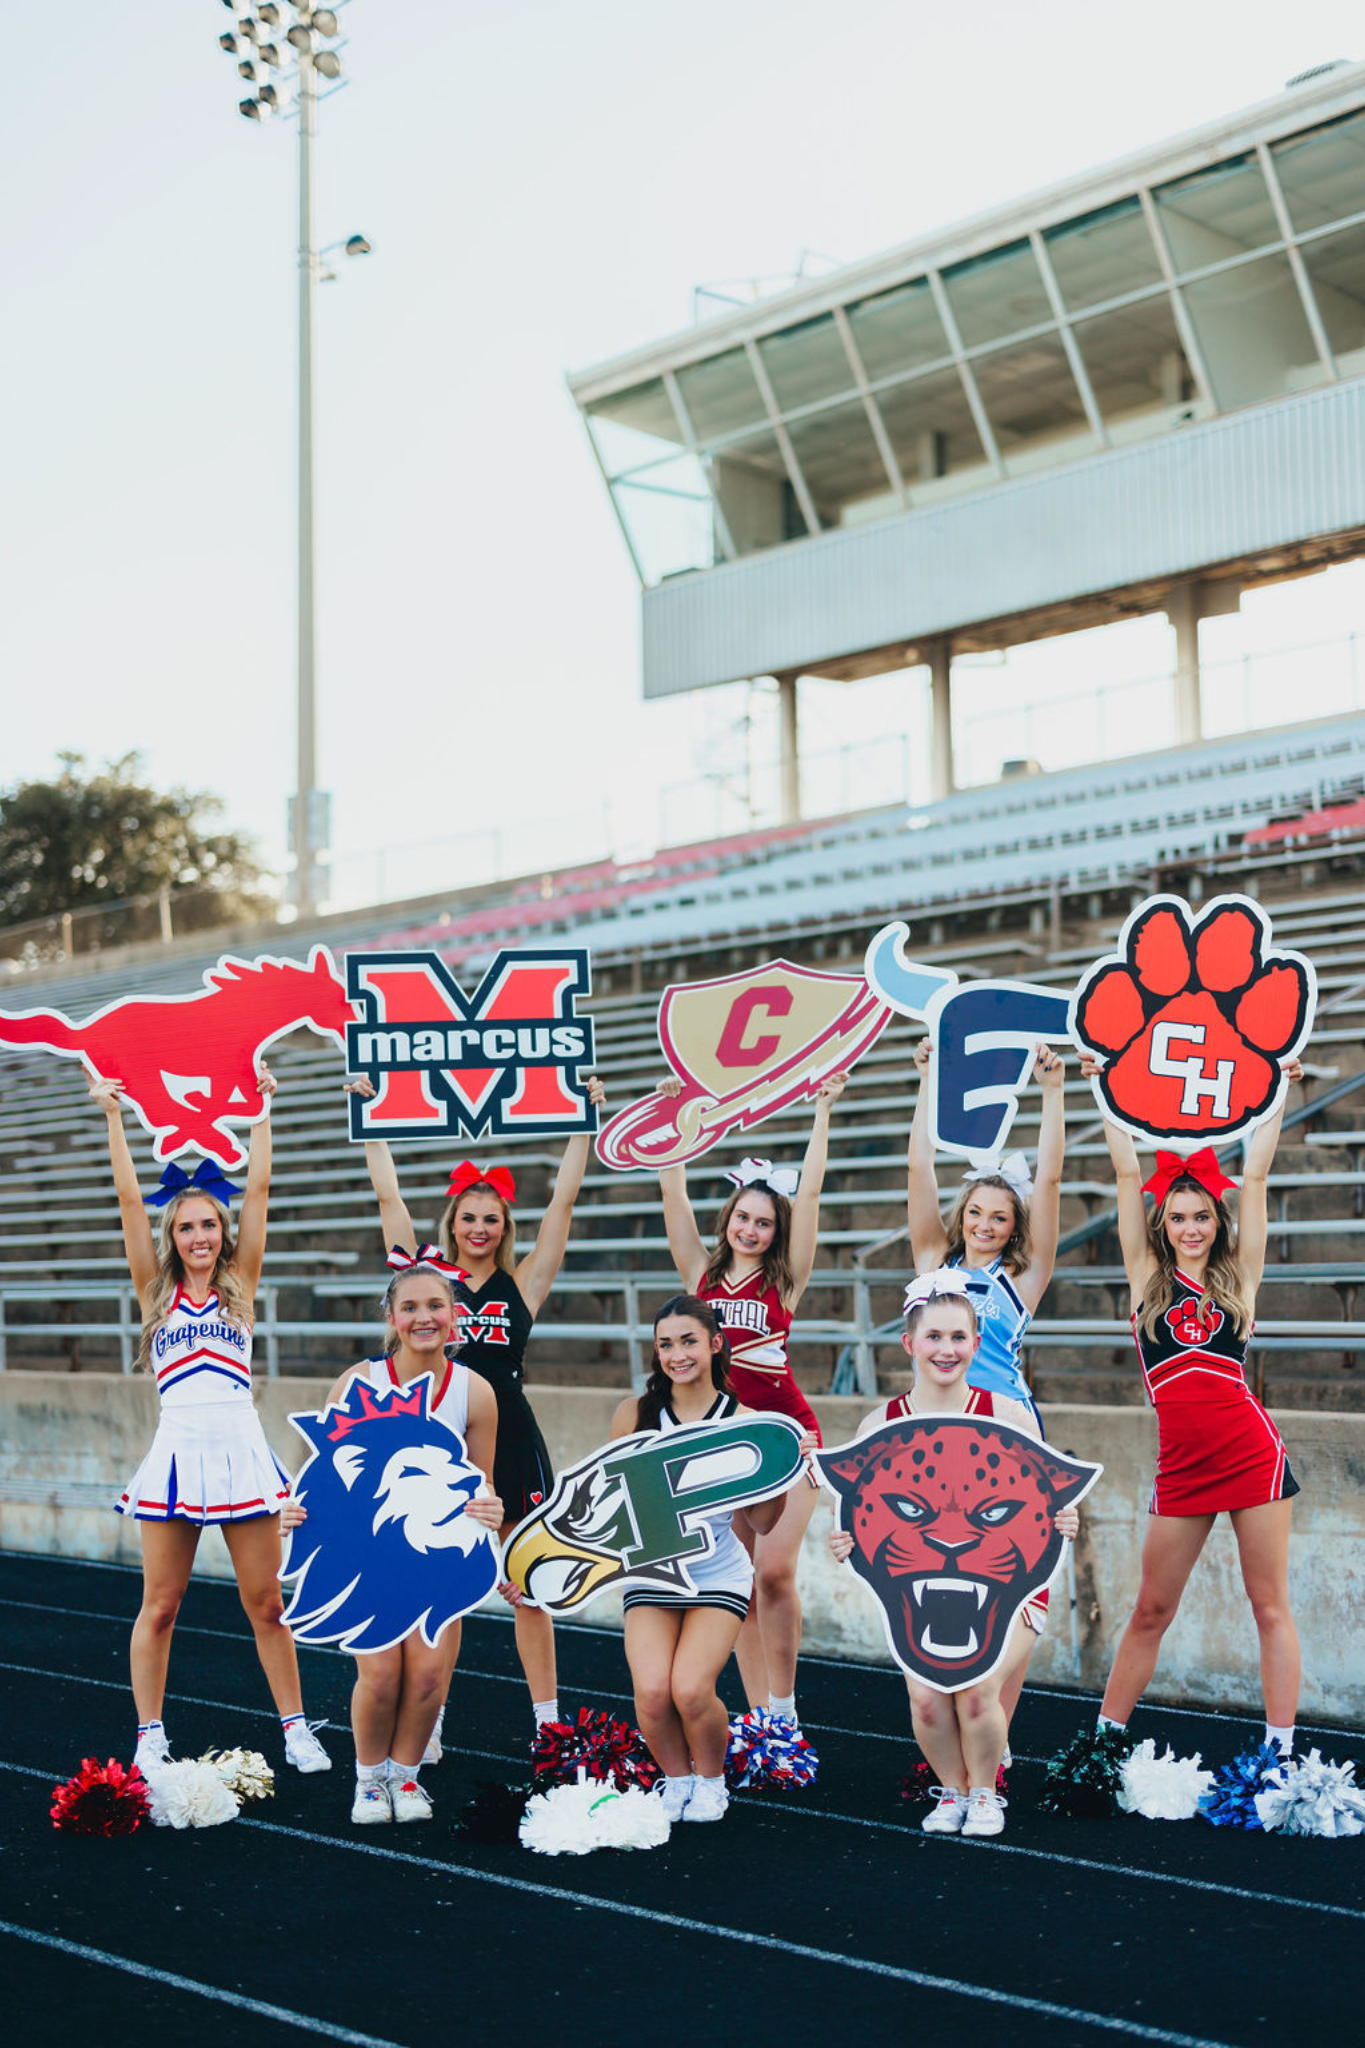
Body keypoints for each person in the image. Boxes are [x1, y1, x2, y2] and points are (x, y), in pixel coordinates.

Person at [350, 1073, 605, 1738]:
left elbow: (564, 1206)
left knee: (527, 1584)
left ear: (504, 1226)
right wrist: (366, 1112)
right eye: (469, 1217)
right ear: (452, 1222)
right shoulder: (425, 1278)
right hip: (429, 1435)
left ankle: (548, 1723)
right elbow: (388, 1195)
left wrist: (584, 1121)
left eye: (492, 1218)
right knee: (428, 1577)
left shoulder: (522, 1283)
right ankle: (425, 1723)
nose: (481, 1228)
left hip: (508, 1437)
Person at [94, 1068, 331, 1779]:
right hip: (176, 1456)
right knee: (160, 1606)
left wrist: (261, 1109)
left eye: (209, 1224)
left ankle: (295, 1728)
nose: (199, 1235)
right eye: (187, 1226)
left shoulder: (242, 1288)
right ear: (174, 1234)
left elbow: (259, 1190)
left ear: (223, 1232)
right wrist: (113, 1115)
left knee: (265, 1605)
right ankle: (149, 1733)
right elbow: (129, 1199)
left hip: (241, 1455)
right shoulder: (154, 1292)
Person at [1085, 1055, 1304, 1754]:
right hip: (1181, 1466)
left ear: (1216, 1218)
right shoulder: (1145, 1281)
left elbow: (1259, 1178)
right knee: (1150, 1609)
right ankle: (1100, 1746)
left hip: (1251, 1456)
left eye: (1201, 1215)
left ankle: (1280, 1756)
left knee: (1268, 1606)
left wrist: (1277, 1095)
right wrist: (1100, 1084)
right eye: (1177, 1216)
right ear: (1162, 1222)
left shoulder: (1238, 1277)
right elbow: (1125, 1174)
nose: (1190, 1226)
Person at [828, 1270, 1080, 1837]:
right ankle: (953, 1790)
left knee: (976, 1689)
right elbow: (860, 1520)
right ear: (909, 1343)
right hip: (921, 1585)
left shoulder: (1009, 1416)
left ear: (976, 1342)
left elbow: (1045, 1501)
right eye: (934, 1337)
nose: (947, 1350)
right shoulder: (880, 1425)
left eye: (959, 1337)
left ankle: (987, 1794)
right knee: (926, 1702)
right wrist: (843, 1541)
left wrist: (1067, 1519)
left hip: (1006, 1584)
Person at [283, 1258, 502, 1823]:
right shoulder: (360, 1381)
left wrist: (491, 1506)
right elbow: (315, 1468)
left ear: (456, 1317)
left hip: (437, 1553)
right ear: (391, 1316)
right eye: (410, 1307)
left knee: (429, 1674)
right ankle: (367, 1780)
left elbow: (484, 1481)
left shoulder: (475, 1392)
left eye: (436, 1306)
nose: (423, 1318)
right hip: (371, 1550)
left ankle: (405, 1779)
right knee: (379, 1674)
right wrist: (291, 1504)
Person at [658, 1075, 846, 1730]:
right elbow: (671, 1194)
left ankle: (787, 1710)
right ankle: (757, 1715)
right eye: (743, 1217)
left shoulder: (784, 1280)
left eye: (765, 1222)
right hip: (724, 1444)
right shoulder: (700, 1277)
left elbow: (814, 1193)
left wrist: (822, 1111)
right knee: (733, 1581)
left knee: (772, 1574)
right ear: (728, 1220)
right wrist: (676, 1115)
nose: (752, 1229)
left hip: (787, 1436)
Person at [610, 1295, 811, 1824]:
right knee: (653, 1694)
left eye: (689, 1341)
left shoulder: (746, 1420)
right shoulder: (633, 1414)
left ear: (716, 1344)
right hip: (652, 1573)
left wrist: (784, 1470)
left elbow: (764, 1523)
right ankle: (676, 1779)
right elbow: (608, 1503)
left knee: (692, 1690)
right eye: (666, 1344)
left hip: (716, 1573)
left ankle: (711, 1779)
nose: (677, 1354)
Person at [906, 1036, 1066, 1418]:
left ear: (1013, 1228)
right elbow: (918, 1167)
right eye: (976, 1212)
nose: (984, 1226)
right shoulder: (934, 1261)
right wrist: (928, 1081)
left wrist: (1053, 1092)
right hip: (933, 1414)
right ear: (962, 1214)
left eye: (999, 1218)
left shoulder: (1023, 1277)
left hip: (1002, 1419)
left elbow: (1049, 1181)